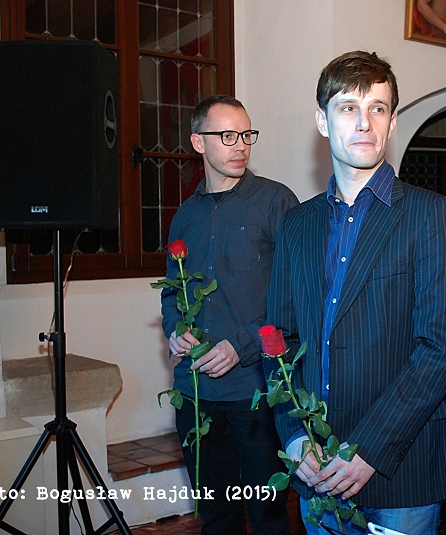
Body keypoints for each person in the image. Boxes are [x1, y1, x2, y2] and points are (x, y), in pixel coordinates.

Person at [265, 51, 446, 535]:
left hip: (402, 471)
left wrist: (370, 449)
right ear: (323, 121)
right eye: (348, 108)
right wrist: (294, 434)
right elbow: (279, 340)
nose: (364, 122)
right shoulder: (297, 224)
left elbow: (441, 347)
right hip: (317, 469)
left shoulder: (431, 214)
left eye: (377, 108)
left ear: (392, 122)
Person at [161, 94, 299, 535]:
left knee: (268, 516)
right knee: (216, 516)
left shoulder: (276, 202)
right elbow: (173, 291)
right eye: (227, 135)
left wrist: (241, 345)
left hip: (256, 390)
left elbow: (296, 298)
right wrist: (173, 330)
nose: (240, 145)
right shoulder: (185, 216)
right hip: (195, 392)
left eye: (245, 134)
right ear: (198, 142)